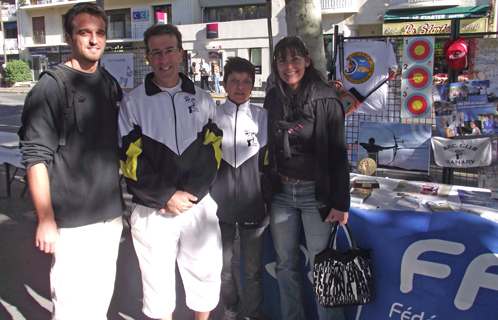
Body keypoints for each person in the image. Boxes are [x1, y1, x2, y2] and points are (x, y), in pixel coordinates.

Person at [18, 2, 125, 319]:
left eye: (100, 33)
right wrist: (45, 218)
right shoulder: (50, 87)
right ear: (69, 37)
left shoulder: (108, 83)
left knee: (100, 303)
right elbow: (36, 157)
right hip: (70, 222)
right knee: (71, 308)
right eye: (84, 32)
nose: (94, 40)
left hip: (109, 217)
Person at [118, 23, 223, 320]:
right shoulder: (133, 103)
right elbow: (129, 159)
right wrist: (166, 196)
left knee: (204, 276)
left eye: (169, 51)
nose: (164, 59)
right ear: (148, 58)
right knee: (157, 287)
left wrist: (188, 196)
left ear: (181, 53)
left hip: (197, 206)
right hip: (153, 210)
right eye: (156, 52)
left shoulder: (203, 99)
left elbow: (213, 152)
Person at [263, 36, 350, 320]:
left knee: (321, 266)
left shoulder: (326, 98)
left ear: (307, 61)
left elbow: (338, 153)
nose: (288, 66)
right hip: (281, 195)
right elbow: (266, 146)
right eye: (282, 60)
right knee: (285, 265)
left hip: (317, 195)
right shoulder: (274, 96)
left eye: (295, 59)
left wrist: (342, 202)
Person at [210, 57, 270, 320]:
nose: (240, 86)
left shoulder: (263, 117)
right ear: (224, 84)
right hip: (218, 205)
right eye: (234, 80)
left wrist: (267, 197)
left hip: (254, 205)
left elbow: (271, 164)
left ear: (252, 86)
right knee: (221, 268)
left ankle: (251, 314)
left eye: (246, 81)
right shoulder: (210, 115)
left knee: (253, 270)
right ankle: (232, 307)